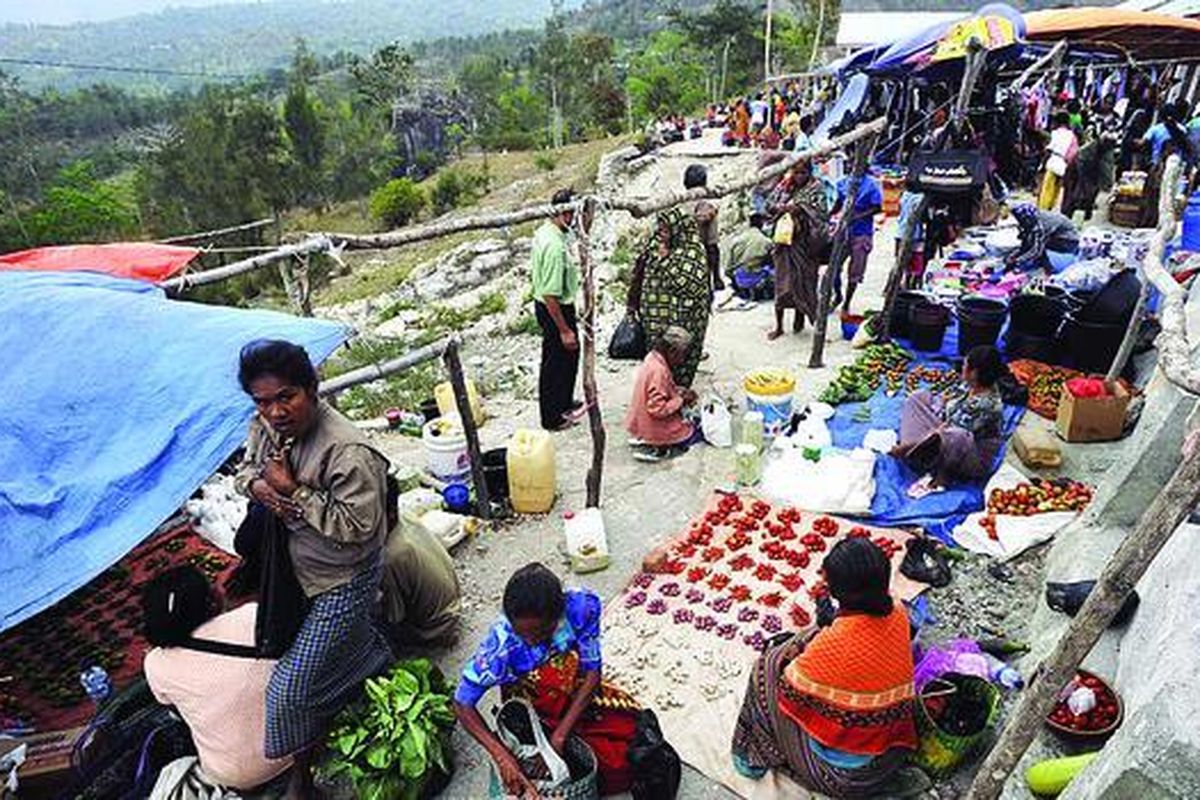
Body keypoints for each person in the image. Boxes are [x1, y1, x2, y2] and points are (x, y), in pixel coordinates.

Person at [233, 339, 393, 799]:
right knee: (286, 648)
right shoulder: (263, 426)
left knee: (286, 690)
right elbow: (246, 471)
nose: (275, 411)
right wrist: (261, 488)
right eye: (263, 401)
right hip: (293, 566)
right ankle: (371, 656)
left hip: (343, 578)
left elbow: (360, 529)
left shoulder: (346, 451)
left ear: (311, 389)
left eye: (286, 396)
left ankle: (302, 777)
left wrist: (295, 492)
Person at [731, 538, 918, 796]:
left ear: (839, 593)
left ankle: (750, 757)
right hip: (890, 756)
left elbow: (788, 691)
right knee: (805, 640)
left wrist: (790, 657)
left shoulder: (837, 645)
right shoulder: (898, 611)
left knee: (766, 669)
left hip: (845, 778)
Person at [454, 564, 640, 797]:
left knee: (624, 755)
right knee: (533, 776)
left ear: (558, 615)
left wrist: (560, 736)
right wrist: (501, 756)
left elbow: (592, 672)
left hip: (574, 692)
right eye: (523, 634)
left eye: (541, 633)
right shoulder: (501, 648)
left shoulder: (581, 608)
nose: (531, 642)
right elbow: (462, 704)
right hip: (533, 707)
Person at [142, 567, 293, 794]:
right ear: (211, 601)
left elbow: (174, 710)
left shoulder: (155, 664)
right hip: (294, 750)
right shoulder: (252, 617)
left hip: (233, 775)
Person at [892, 344, 1005, 486]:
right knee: (918, 397)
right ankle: (919, 448)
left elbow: (952, 432)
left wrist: (907, 447)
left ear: (974, 372)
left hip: (970, 455)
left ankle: (940, 472)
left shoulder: (986, 405)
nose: (962, 368)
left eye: (965, 365)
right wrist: (941, 402)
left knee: (956, 435)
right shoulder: (970, 385)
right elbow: (949, 406)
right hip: (947, 431)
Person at [627, 208, 711, 388]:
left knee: (679, 360)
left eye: (666, 230)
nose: (662, 234)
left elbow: (690, 287)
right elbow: (639, 272)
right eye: (661, 228)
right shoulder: (655, 245)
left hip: (684, 320)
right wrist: (632, 304)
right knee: (657, 362)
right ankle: (659, 395)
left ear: (678, 230)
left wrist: (666, 260)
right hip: (655, 320)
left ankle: (677, 396)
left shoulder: (693, 251)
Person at [379, 476, 462, 650]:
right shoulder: (403, 515)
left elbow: (395, 617)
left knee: (373, 624)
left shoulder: (391, 556)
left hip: (435, 628)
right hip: (452, 602)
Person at [531, 188, 586, 431]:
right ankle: (552, 417)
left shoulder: (548, 231)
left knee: (568, 356)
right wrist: (563, 329)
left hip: (554, 305)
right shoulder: (553, 246)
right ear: (563, 213)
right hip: (554, 307)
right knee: (555, 359)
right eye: (572, 213)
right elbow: (550, 293)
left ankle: (563, 401)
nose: (574, 217)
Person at [767, 158, 829, 340]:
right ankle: (778, 326)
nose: (799, 176)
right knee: (782, 283)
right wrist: (782, 208)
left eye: (803, 172)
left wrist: (801, 209)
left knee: (804, 282)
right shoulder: (784, 186)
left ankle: (799, 318)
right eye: (796, 172)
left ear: (810, 172)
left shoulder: (816, 189)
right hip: (784, 244)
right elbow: (769, 205)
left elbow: (822, 214)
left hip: (805, 245)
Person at [625, 326, 700, 462]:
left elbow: (659, 389)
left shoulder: (652, 358)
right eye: (682, 355)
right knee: (694, 433)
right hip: (653, 423)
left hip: (641, 419)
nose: (682, 360)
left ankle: (648, 435)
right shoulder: (659, 371)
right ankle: (661, 445)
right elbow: (657, 408)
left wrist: (678, 391)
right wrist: (680, 400)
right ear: (672, 351)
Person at [832, 172, 883, 314]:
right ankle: (838, 295)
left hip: (862, 232)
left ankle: (847, 303)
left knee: (855, 272)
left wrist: (857, 216)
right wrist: (829, 214)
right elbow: (838, 203)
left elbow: (878, 207)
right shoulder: (843, 182)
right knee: (834, 267)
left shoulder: (871, 184)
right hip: (843, 231)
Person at [1005, 202, 1080, 273]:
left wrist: (1017, 261)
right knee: (1031, 241)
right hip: (1058, 236)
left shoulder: (1041, 225)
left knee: (1037, 248)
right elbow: (1026, 244)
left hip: (1069, 242)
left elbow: (1036, 250)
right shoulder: (1032, 217)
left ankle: (1047, 267)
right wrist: (1014, 255)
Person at [685, 164, 724, 292]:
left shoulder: (681, 201)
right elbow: (713, 244)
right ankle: (715, 279)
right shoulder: (708, 204)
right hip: (703, 247)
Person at [724, 213, 774, 294]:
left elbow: (727, 268)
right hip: (757, 278)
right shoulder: (766, 241)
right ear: (762, 224)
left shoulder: (736, 240)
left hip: (739, 278)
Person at [1039, 111, 1078, 211]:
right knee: (1058, 190)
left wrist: (1042, 165)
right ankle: (1053, 209)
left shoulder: (1055, 133)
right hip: (1064, 165)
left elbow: (1049, 150)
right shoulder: (1072, 136)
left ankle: (1043, 210)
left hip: (1053, 162)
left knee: (1047, 190)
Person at [895, 185, 926, 290]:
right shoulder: (921, 197)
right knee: (915, 264)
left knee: (901, 263)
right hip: (915, 235)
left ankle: (900, 286)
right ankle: (909, 287)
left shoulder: (904, 194)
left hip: (900, 232)